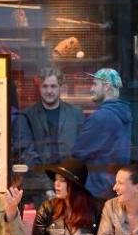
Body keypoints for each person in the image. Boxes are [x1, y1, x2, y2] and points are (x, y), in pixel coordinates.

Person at [13, 67, 85, 206]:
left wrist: (71, 182)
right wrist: (46, 187)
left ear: (61, 87)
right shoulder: (27, 115)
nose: (49, 91)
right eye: (44, 86)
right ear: (39, 87)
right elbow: (27, 153)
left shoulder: (76, 114)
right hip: (40, 185)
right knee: (47, 226)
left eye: (53, 86)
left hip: (70, 184)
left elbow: (81, 150)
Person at [71, 68, 132, 199]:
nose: (91, 89)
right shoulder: (123, 114)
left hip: (97, 191)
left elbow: (78, 152)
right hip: (114, 188)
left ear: (106, 86)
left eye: (95, 84)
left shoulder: (101, 117)